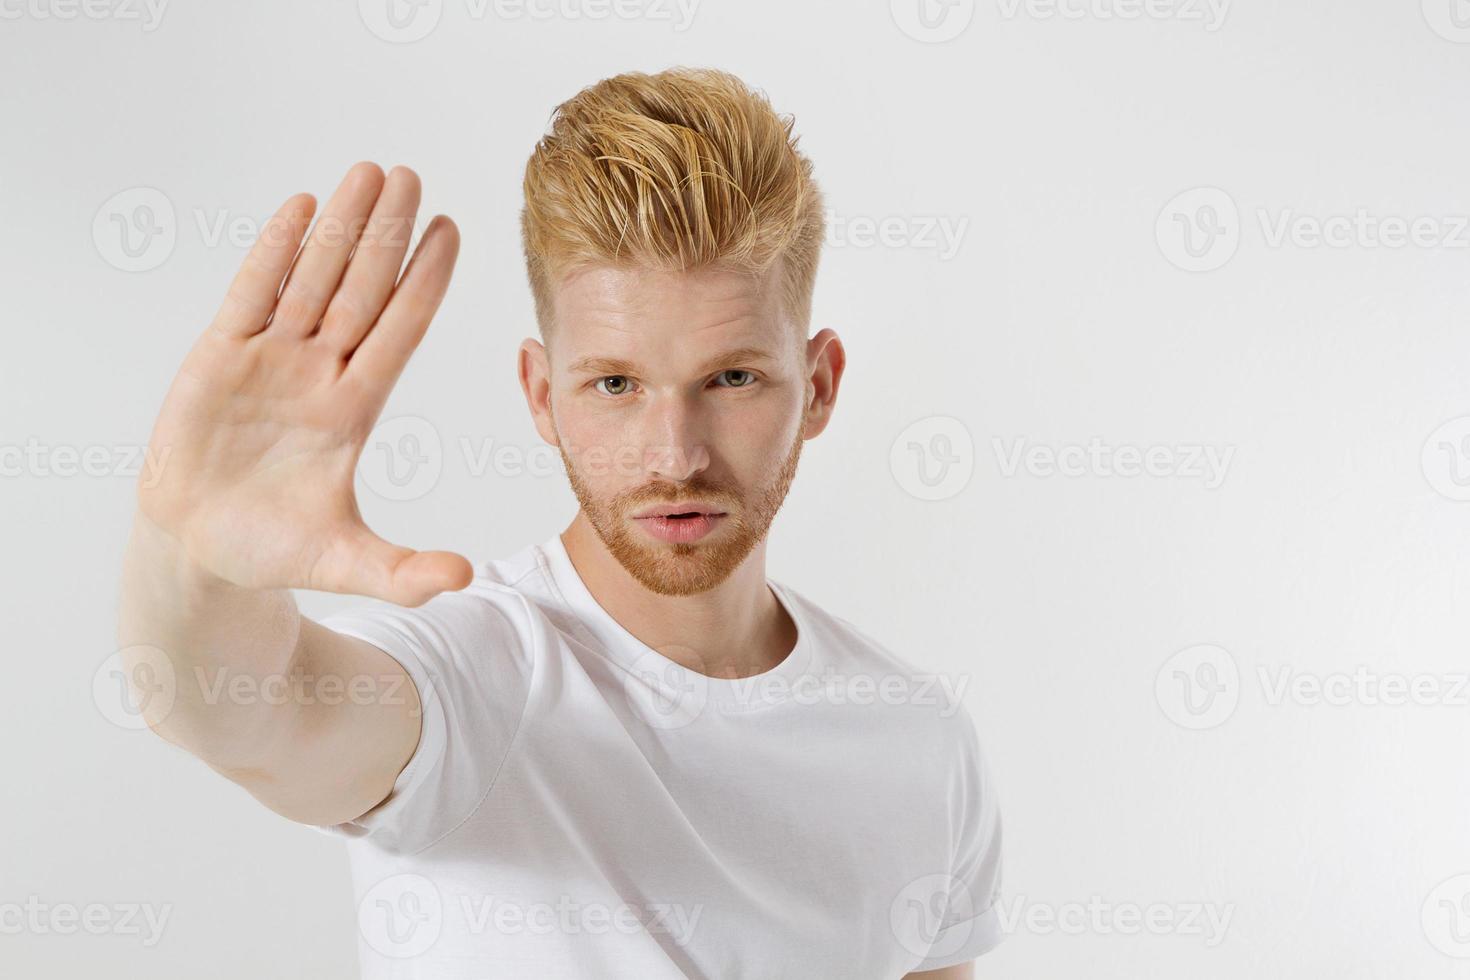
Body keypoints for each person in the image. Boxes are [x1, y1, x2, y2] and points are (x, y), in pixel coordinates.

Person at [116, 66, 1004, 979]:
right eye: (615, 385)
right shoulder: (470, 677)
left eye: (732, 378)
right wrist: (191, 560)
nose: (675, 456)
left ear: (817, 387)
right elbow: (250, 713)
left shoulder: (919, 742)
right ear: (543, 395)